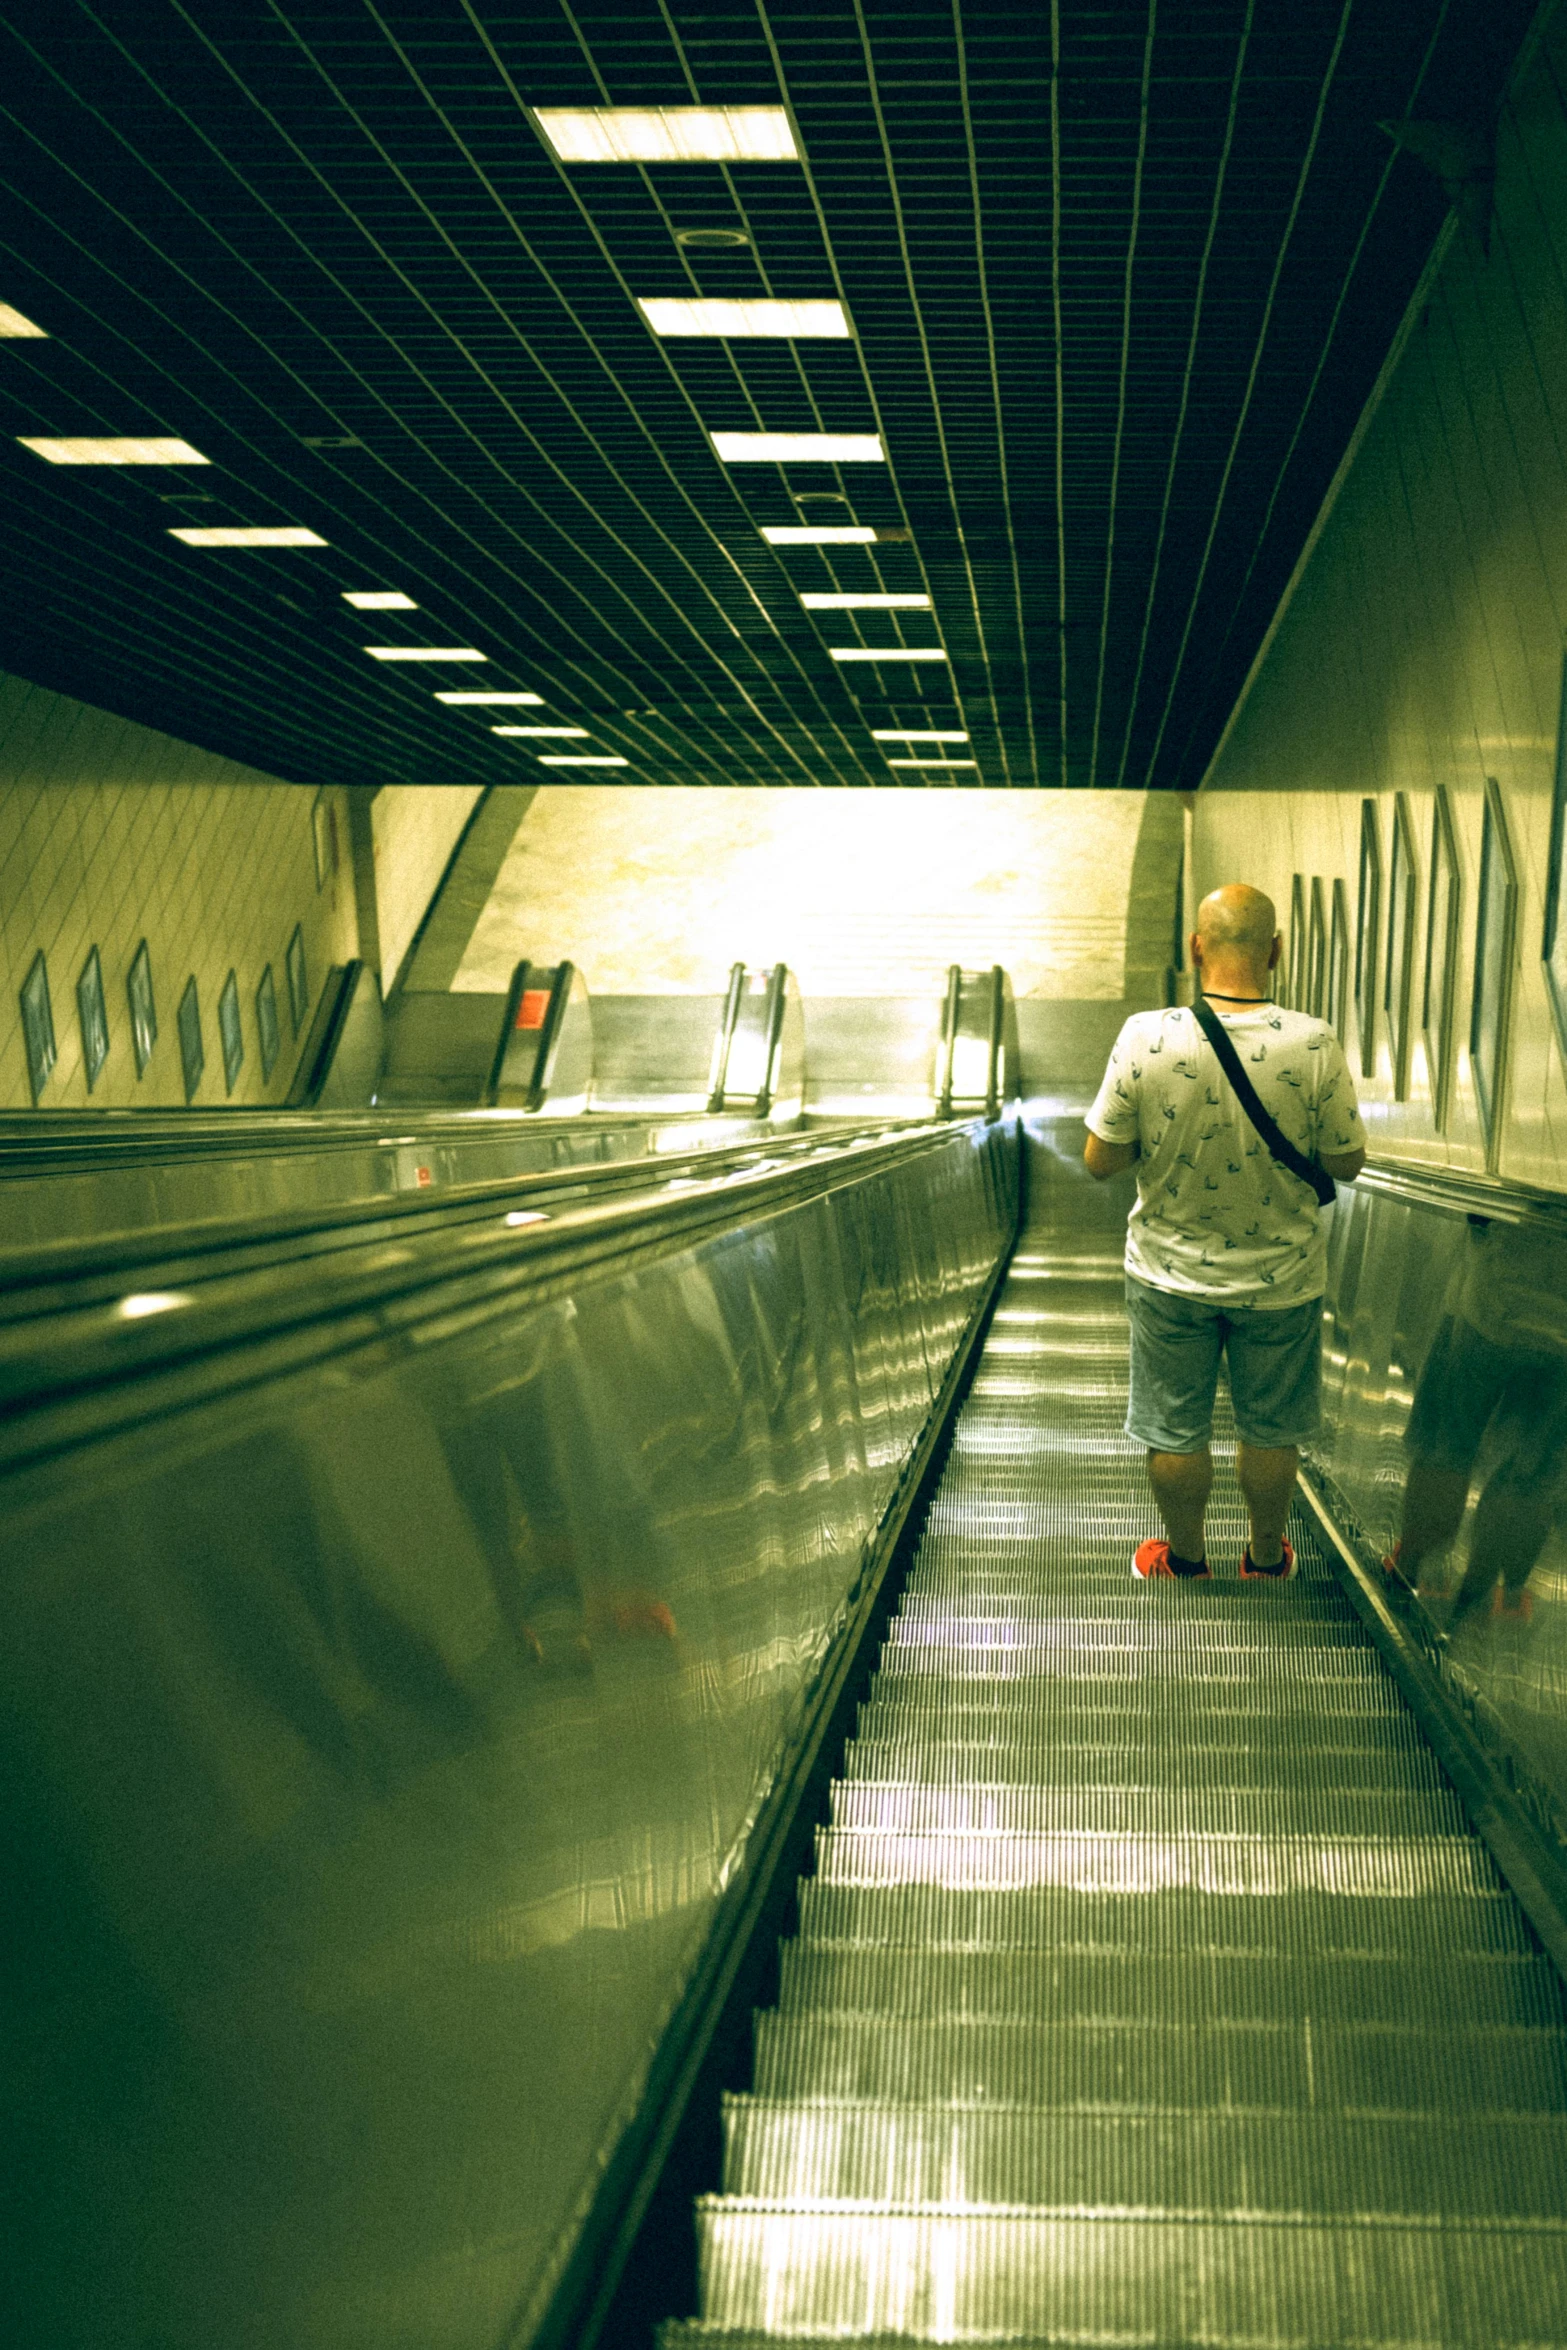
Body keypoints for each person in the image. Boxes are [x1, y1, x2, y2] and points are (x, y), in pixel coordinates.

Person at [1083, 883, 1367, 1581]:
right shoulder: (1312, 1041)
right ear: (1275, 949)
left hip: (1167, 1275)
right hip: (1281, 1279)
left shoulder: (1145, 1035)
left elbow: (1099, 1160)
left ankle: (1182, 1557)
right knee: (1271, 1431)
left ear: (1195, 946)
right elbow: (1345, 1162)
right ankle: (1267, 1558)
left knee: (1173, 1427)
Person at [1386, 1215, 1567, 1627]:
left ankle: (1412, 1569)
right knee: (1533, 1469)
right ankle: (1479, 1596)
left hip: (1491, 1304)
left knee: (1448, 1443)